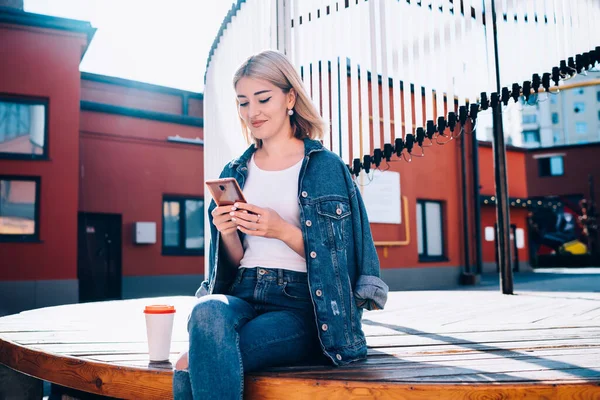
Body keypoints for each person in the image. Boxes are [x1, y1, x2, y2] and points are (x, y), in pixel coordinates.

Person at [172, 49, 389, 400]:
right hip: (242, 291)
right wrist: (227, 231)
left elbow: (341, 261)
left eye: (262, 98)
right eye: (243, 102)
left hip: (302, 305)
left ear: (290, 97)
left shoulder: (326, 167)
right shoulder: (235, 170)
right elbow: (233, 260)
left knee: (190, 362)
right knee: (206, 310)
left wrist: (281, 230)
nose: (252, 112)